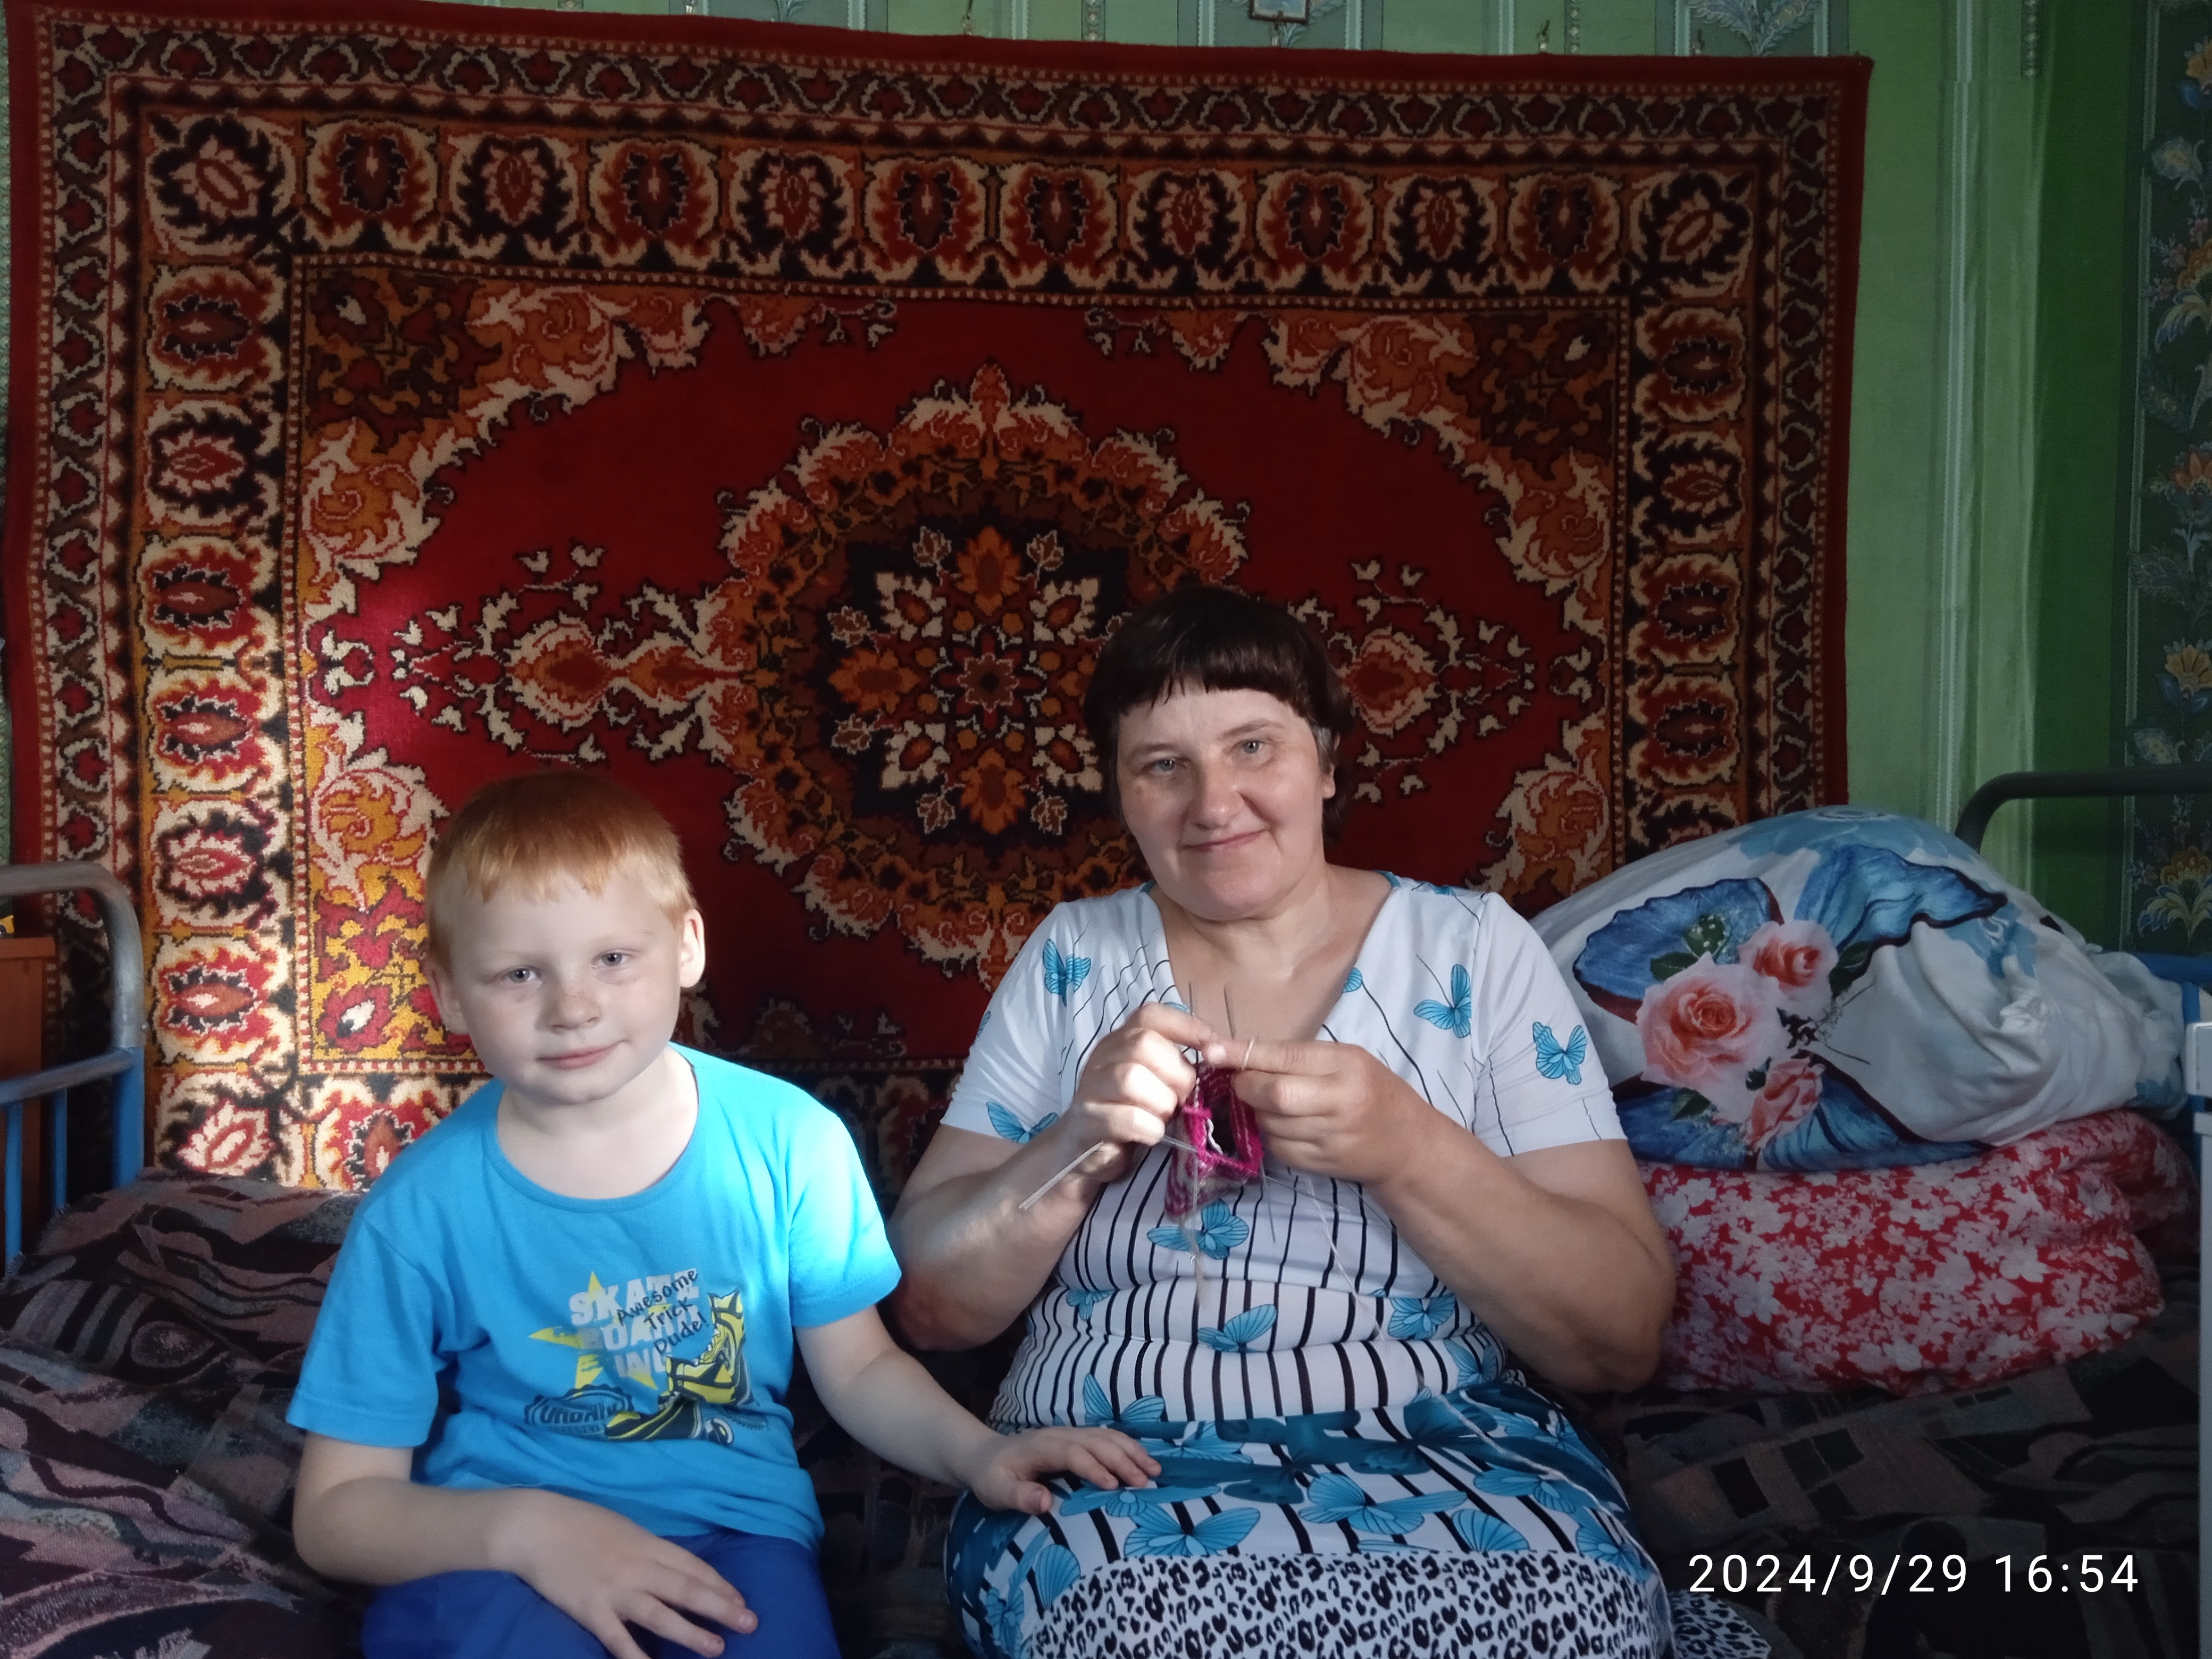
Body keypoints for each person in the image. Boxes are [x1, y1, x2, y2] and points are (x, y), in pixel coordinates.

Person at [889, 586, 1690, 1659]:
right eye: (1162, 764)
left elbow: (1620, 1341)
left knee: (1577, 1620)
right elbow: (928, 1309)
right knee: (1138, 1633)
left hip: (1444, 1440)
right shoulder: (1074, 957)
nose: (1213, 803)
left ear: (1325, 762)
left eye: (1253, 746)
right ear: (1122, 796)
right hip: (1119, 1457)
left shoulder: (1474, 948)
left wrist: (1409, 1148)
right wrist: (1073, 1149)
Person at [288, 771, 1157, 1659]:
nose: (573, 1008)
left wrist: (979, 1455)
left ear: (687, 946)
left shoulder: (792, 1141)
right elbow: (335, 1511)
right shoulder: (418, 1209)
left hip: (735, 1542)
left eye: (613, 959)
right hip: (499, 1554)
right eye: (519, 974)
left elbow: (860, 1368)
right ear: (448, 994)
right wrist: (526, 1532)